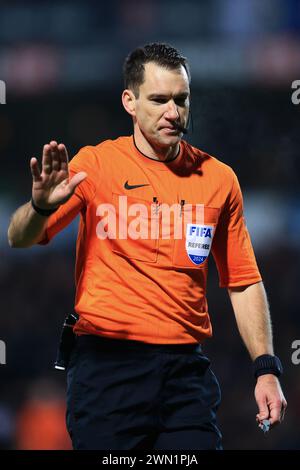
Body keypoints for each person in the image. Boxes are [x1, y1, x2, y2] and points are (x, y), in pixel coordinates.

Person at [7, 42, 287, 450]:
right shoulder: (96, 166)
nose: (173, 112)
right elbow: (20, 236)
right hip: (107, 371)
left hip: (185, 376)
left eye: (181, 99)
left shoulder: (219, 179)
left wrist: (266, 368)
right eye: (158, 100)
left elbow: (243, 281)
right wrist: (38, 207)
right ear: (130, 102)